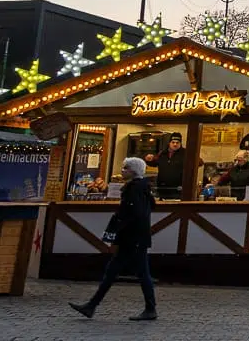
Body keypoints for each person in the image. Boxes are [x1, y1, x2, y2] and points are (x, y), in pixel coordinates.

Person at [69, 157, 157, 321]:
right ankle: (92, 305)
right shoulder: (142, 187)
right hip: (136, 237)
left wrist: (116, 228)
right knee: (120, 271)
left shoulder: (134, 189)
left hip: (132, 237)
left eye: (125, 168)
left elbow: (132, 213)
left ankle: (149, 308)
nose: (122, 170)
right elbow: (149, 206)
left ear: (133, 171)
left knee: (132, 272)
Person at [146, 132, 186, 199]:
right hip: (162, 188)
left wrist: (195, 159)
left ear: (180, 143)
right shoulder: (162, 153)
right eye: (173, 142)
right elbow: (155, 163)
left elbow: (199, 162)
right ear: (169, 143)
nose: (175, 144)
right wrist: (149, 160)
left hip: (178, 189)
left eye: (177, 142)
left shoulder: (185, 153)